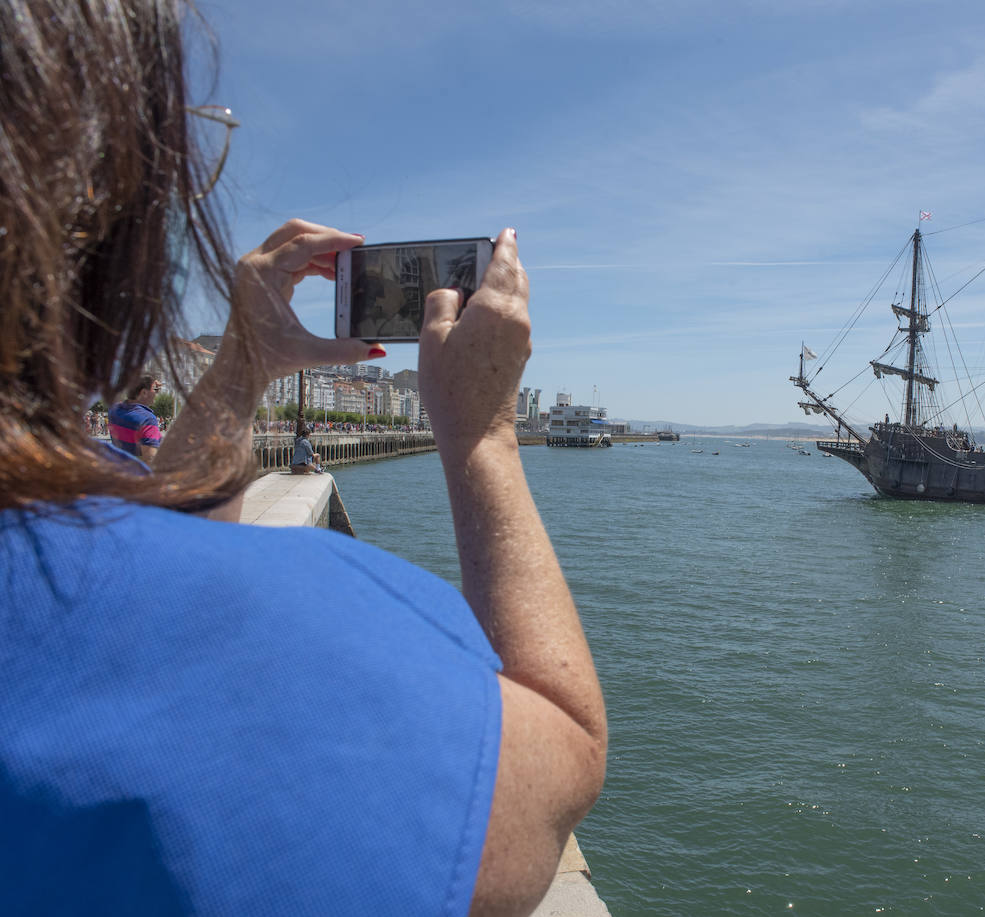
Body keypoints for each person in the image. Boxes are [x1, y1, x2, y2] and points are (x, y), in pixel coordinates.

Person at [0, 3, 605, 916]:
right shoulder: (270, 619)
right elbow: (558, 762)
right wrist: (483, 438)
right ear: (97, 214)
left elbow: (151, 545)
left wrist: (243, 363)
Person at [107, 374, 164, 461]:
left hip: (118, 467)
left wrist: (148, 382)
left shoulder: (114, 410)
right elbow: (150, 458)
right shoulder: (148, 419)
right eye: (155, 390)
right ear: (144, 392)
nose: (156, 393)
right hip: (135, 471)